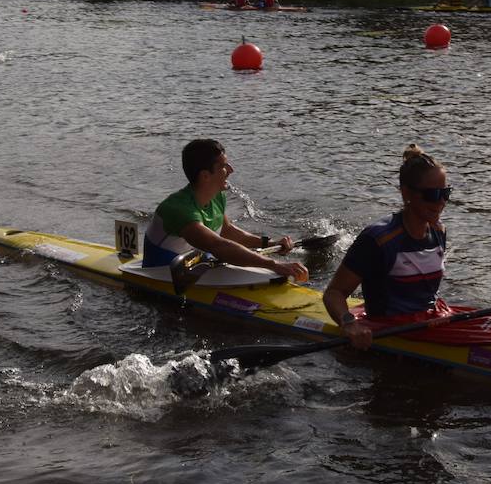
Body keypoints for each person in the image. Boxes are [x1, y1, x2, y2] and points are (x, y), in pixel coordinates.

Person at [323, 145, 449, 350]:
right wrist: (349, 324)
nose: (441, 202)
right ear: (406, 192)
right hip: (386, 330)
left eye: (446, 193)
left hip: (428, 322)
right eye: (433, 195)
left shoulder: (439, 231)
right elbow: (334, 293)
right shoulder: (378, 239)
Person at [142, 139, 309, 283]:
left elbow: (227, 232)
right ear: (205, 176)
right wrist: (275, 265)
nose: (230, 169)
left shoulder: (216, 197)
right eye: (223, 166)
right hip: (161, 275)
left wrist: (269, 243)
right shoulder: (178, 210)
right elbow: (219, 246)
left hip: (197, 267)